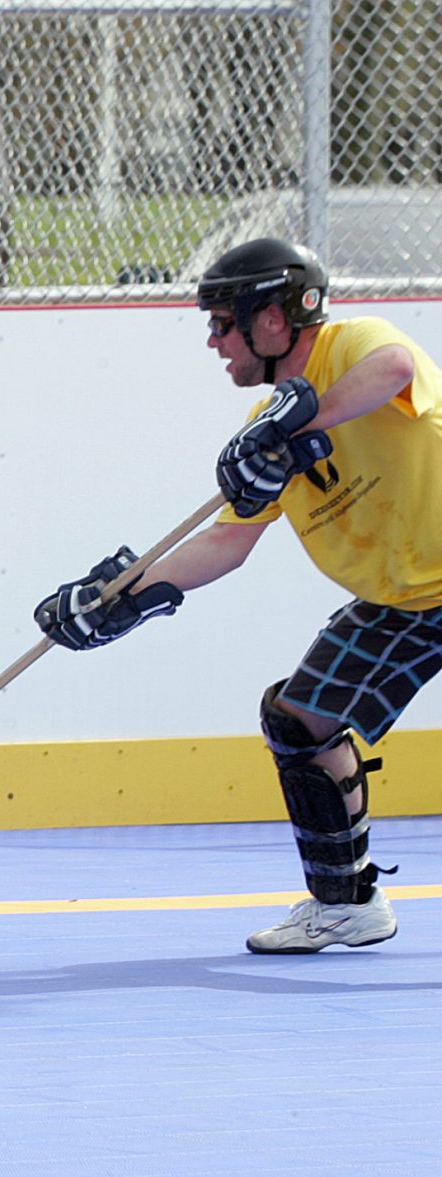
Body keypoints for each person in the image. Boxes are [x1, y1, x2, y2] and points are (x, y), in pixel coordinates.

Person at [31, 237, 439, 954]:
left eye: (223, 322)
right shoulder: (258, 440)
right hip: (407, 603)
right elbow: (226, 542)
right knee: (299, 719)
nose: (215, 342)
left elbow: (396, 368)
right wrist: (120, 599)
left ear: (276, 320)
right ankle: (348, 902)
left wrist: (298, 427)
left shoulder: (355, 347)